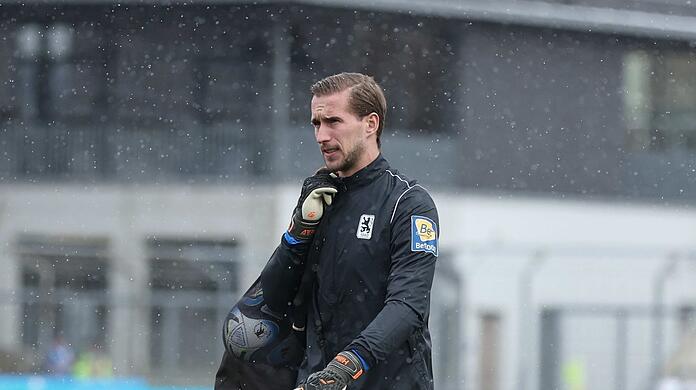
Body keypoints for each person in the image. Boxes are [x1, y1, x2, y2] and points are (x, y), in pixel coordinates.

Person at [290, 72, 440, 390]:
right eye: (316, 124)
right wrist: (296, 235)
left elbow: (408, 305)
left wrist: (347, 365)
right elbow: (281, 295)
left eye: (333, 121)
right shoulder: (318, 199)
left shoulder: (408, 204)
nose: (321, 136)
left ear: (370, 124)